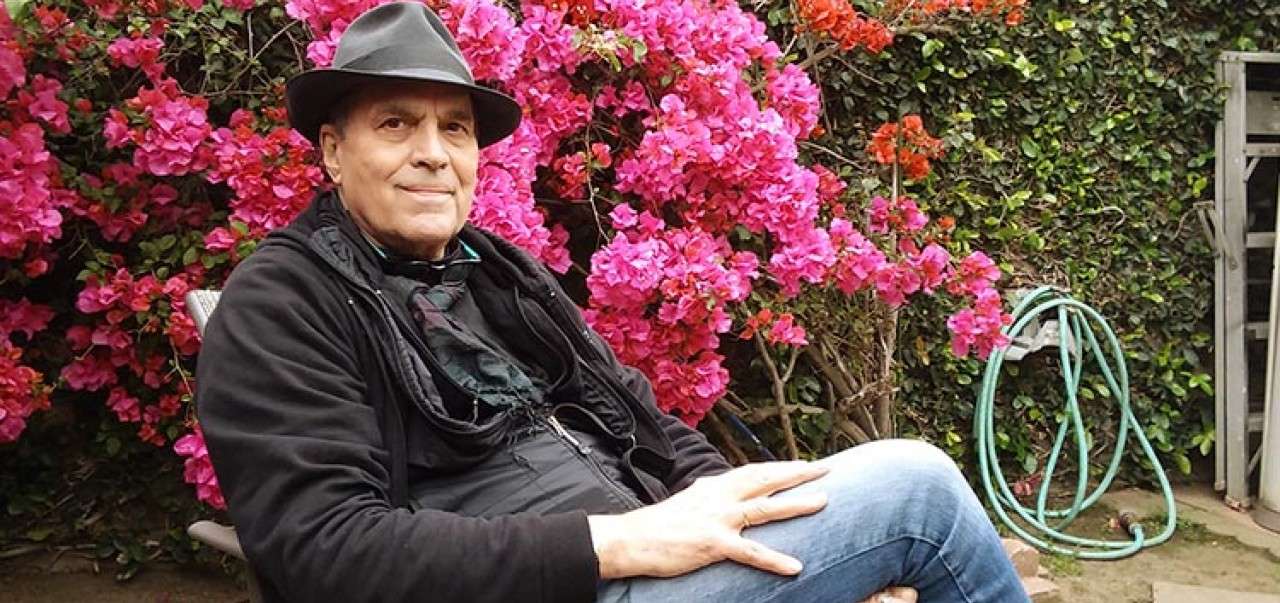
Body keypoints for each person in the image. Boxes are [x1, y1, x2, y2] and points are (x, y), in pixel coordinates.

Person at [195, 3, 1030, 602]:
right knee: (918, 490)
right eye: (395, 125)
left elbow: (641, 416)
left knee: (862, 503)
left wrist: (742, 512)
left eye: (455, 128)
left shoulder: (499, 274)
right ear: (333, 152)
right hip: (579, 583)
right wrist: (616, 543)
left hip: (655, 553)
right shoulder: (282, 302)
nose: (434, 154)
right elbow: (325, 548)